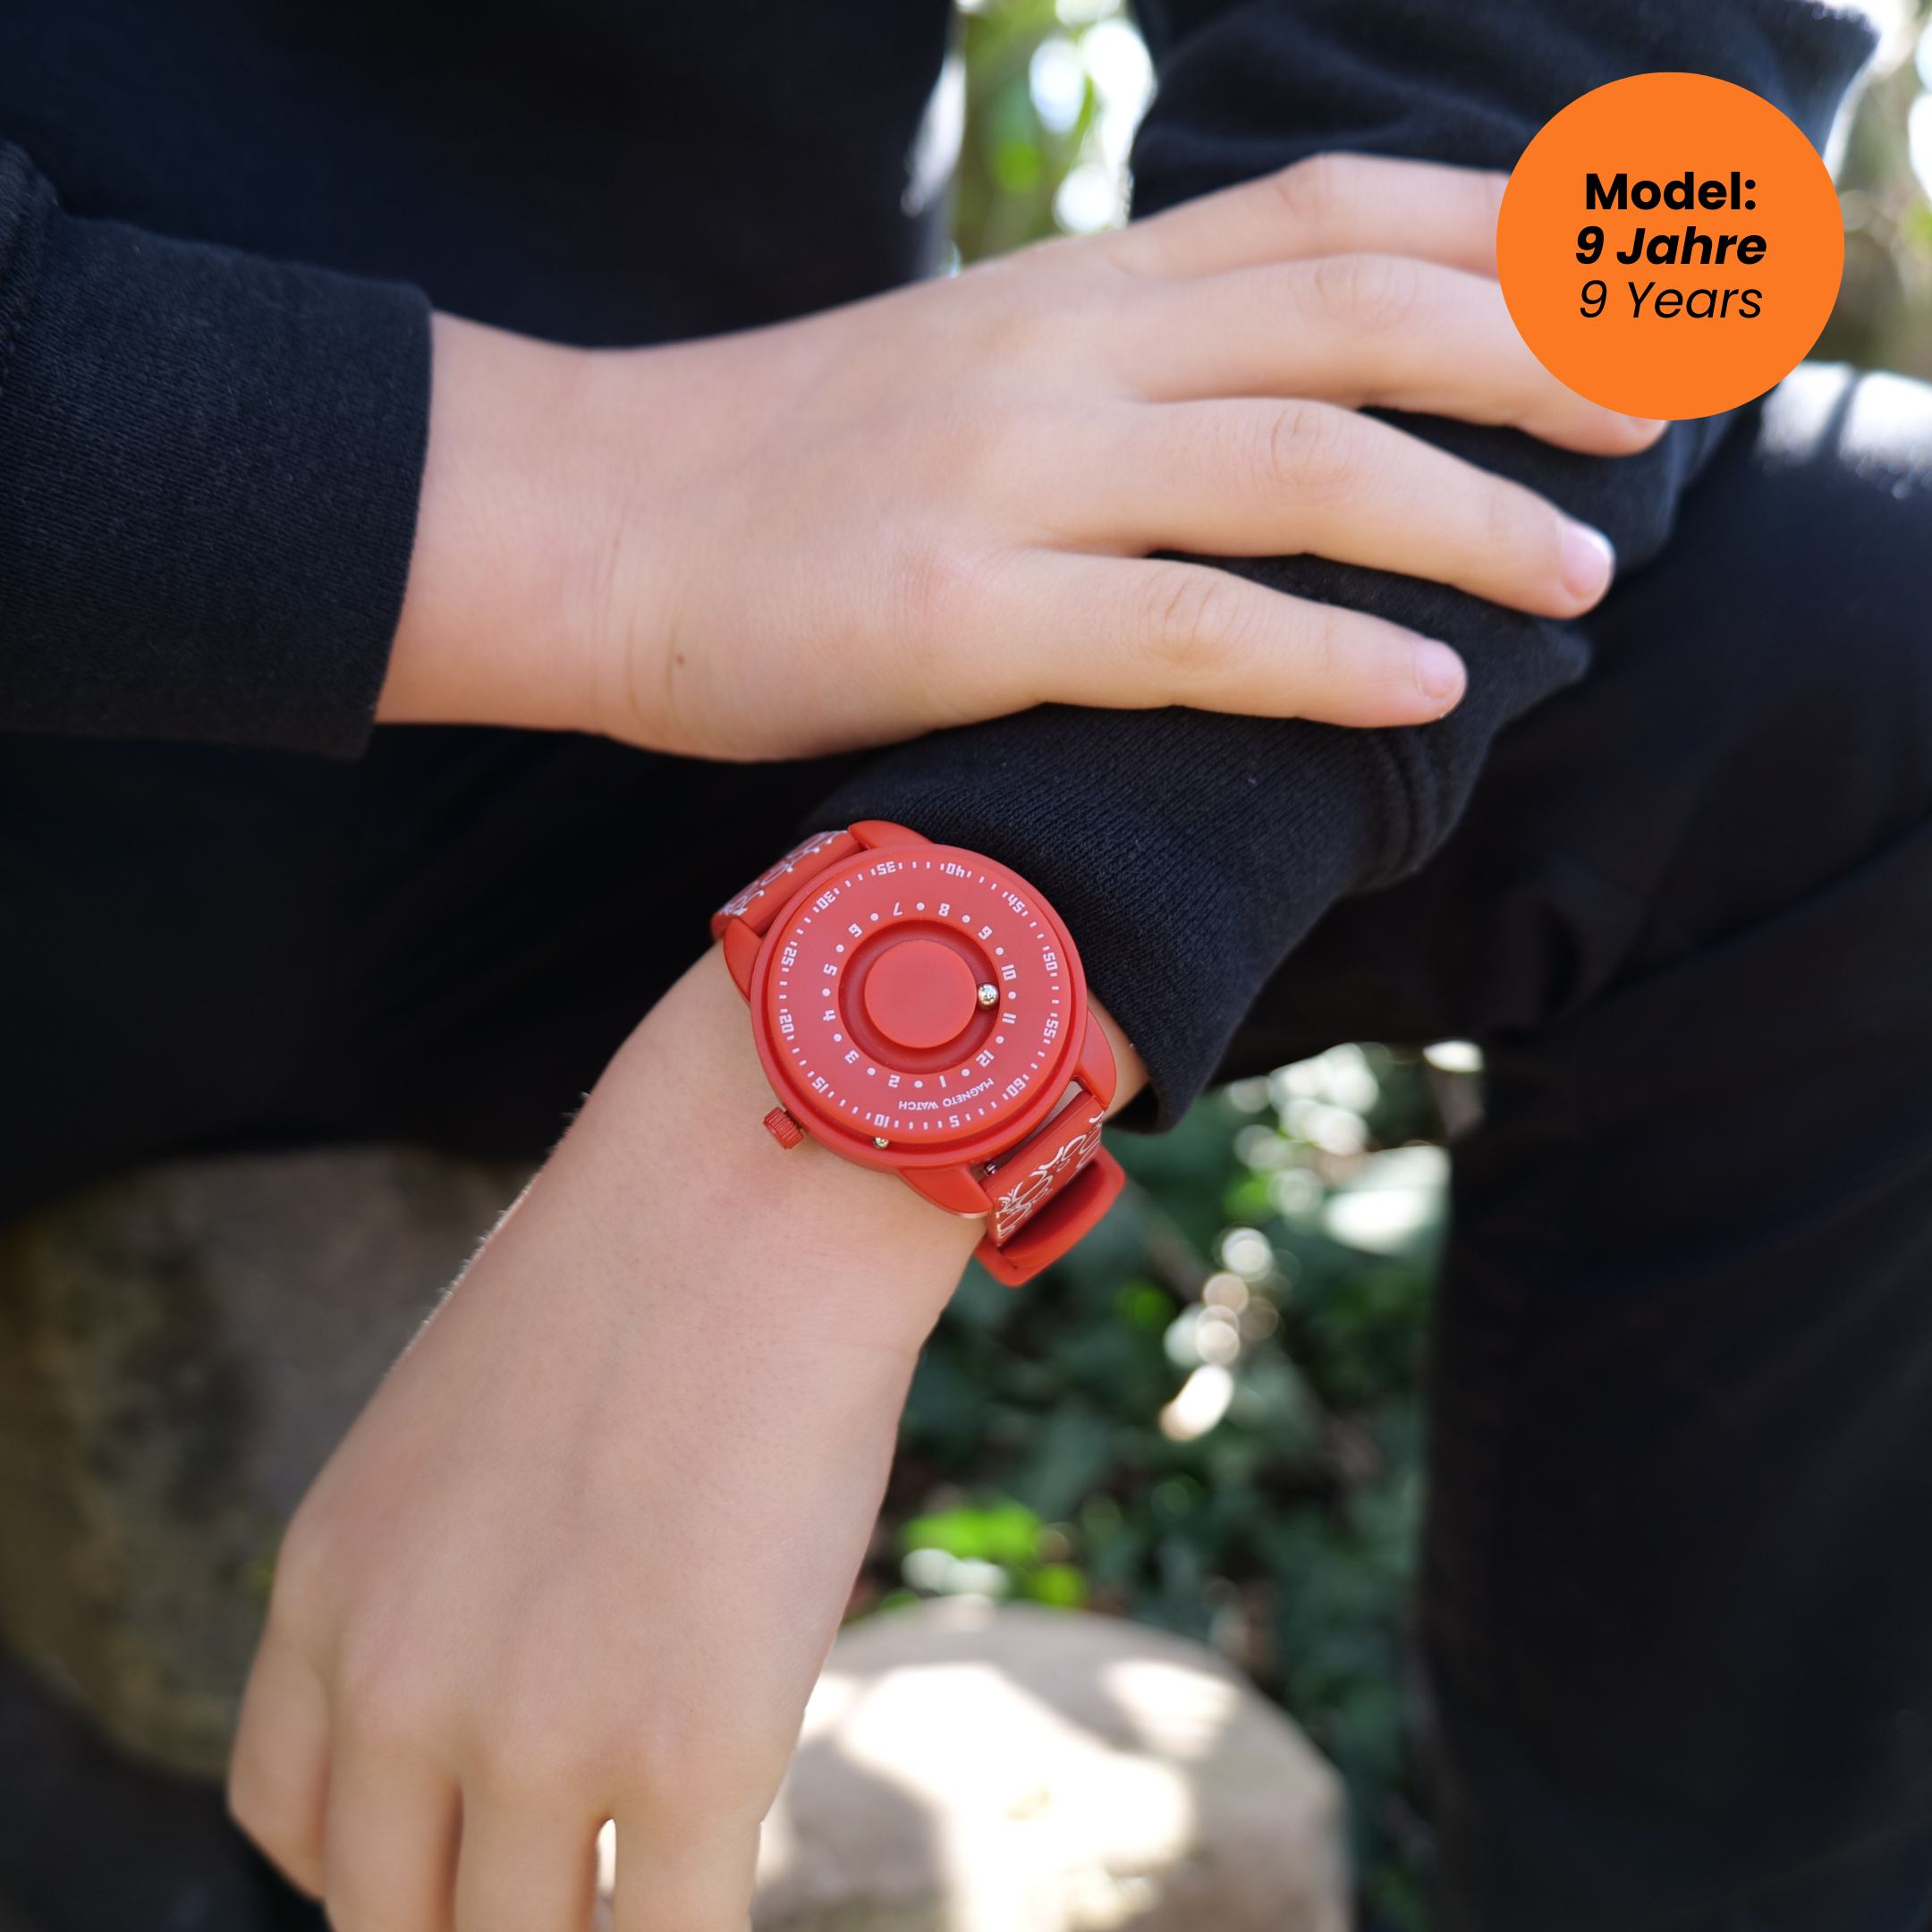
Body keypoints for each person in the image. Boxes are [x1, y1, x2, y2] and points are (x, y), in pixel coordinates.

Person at [1, 2, 1922, 1929]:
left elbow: (1597, 130)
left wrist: (963, 951)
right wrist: (592, 508)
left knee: (1869, 622)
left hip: (750, 689)